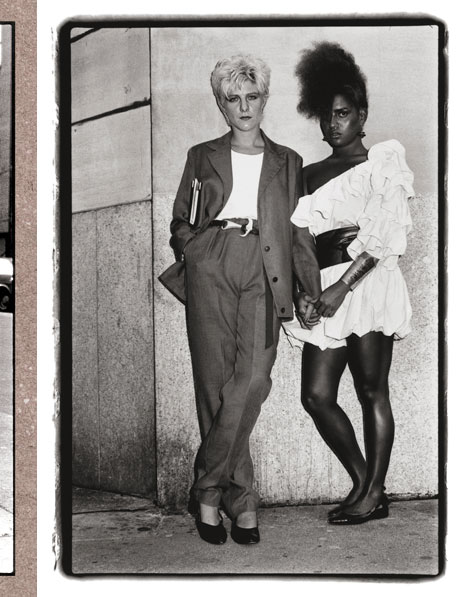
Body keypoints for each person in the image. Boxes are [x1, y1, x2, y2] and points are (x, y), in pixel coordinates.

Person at [169, 55, 320, 545]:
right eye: (232, 98)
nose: (243, 107)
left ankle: (208, 489)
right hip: (212, 261)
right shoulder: (201, 154)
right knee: (215, 387)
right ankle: (243, 500)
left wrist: (308, 289)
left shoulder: (288, 162)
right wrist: (194, 249)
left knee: (252, 380)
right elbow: (181, 219)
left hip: (266, 267)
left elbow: (299, 233)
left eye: (251, 97)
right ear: (221, 102)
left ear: (264, 99)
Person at [282, 42, 414, 525]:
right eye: (326, 115)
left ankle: (372, 490)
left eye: (342, 114)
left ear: (362, 114)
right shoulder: (309, 173)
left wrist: (342, 289)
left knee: (371, 390)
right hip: (324, 286)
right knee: (316, 395)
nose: (332, 123)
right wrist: (304, 292)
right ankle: (367, 485)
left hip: (369, 283)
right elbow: (299, 239)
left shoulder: (383, 160)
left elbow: (385, 237)